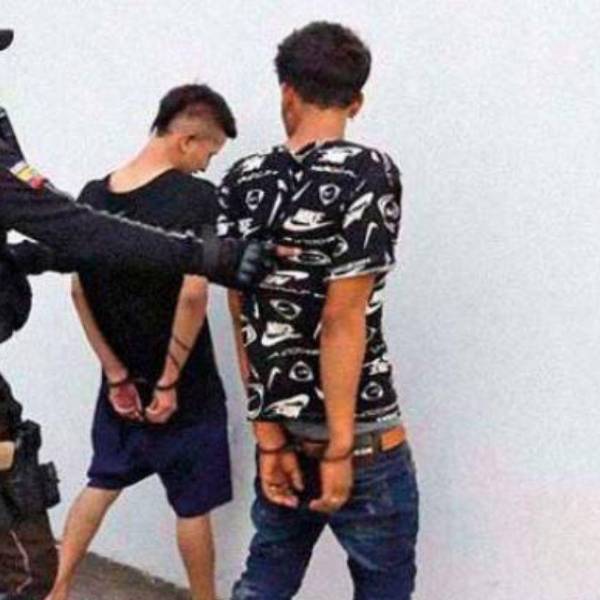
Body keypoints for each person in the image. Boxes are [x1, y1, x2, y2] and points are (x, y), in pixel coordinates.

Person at [220, 22, 419, 599]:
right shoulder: (369, 171)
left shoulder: (243, 178)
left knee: (263, 585)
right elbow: (342, 317)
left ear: (287, 91)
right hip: (362, 439)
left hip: (282, 434)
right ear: (356, 102)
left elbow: (243, 311)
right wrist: (338, 447)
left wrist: (267, 435)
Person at [43, 84, 237, 600]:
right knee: (192, 506)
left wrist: (115, 374)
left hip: (122, 382)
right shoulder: (195, 197)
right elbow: (193, 293)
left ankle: (55, 590)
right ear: (186, 139)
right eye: (210, 152)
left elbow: (79, 289)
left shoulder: (93, 198)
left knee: (103, 481)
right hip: (186, 384)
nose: (207, 165)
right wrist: (170, 381)